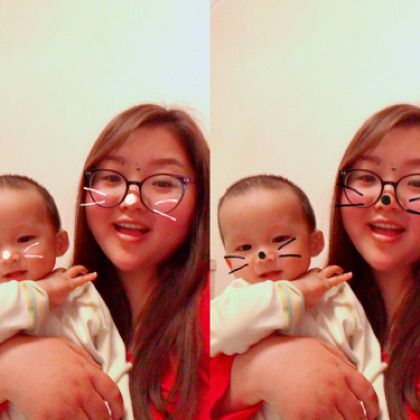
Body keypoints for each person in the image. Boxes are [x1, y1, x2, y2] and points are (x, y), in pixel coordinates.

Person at [0, 104, 209, 419]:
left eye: (163, 182)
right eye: (111, 177)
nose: (131, 201)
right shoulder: (63, 295)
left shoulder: (229, 314)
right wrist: (11, 366)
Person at [212, 104, 420, 420]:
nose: (386, 200)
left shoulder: (340, 302)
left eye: (416, 182)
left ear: (314, 242)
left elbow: (370, 383)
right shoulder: (234, 301)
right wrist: (257, 370)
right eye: (367, 176)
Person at [211, 174, 388, 419]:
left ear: (315, 243)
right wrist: (296, 294)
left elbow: (369, 361)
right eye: (245, 248)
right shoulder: (235, 301)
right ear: (231, 263)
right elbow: (222, 332)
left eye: (280, 239)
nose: (264, 256)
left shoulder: (336, 293)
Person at [0, 175, 133, 419]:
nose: (8, 256)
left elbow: (114, 362)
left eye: (25, 239)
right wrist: (43, 293)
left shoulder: (81, 293)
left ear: (60, 243)